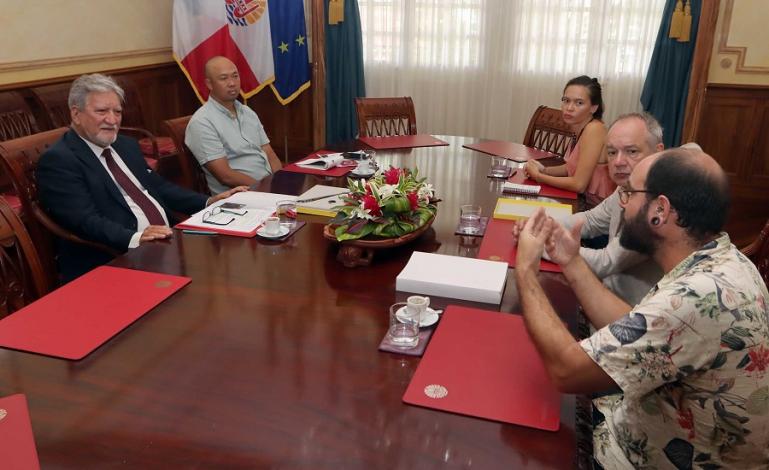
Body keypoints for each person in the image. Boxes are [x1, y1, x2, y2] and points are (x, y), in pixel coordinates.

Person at [515, 148, 769, 468]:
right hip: (645, 428)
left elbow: (565, 371)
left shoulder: (694, 299)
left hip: (638, 457)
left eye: (628, 193)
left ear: (660, 210)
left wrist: (525, 271)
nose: (622, 203)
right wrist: (572, 261)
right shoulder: (722, 261)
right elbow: (634, 327)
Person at [37, 73, 246, 282]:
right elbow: (84, 221)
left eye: (117, 112)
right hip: (117, 258)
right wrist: (135, 238)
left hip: (168, 243)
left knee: (236, 266)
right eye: (101, 111)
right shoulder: (60, 160)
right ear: (76, 114)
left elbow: (159, 187)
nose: (112, 120)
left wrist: (209, 202)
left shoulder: (125, 145)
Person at [518, 112, 665, 306]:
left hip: (627, 318)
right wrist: (538, 224)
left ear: (658, 152)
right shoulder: (627, 186)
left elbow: (606, 262)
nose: (618, 162)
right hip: (603, 297)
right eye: (612, 152)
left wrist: (538, 241)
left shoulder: (659, 205)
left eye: (631, 151)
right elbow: (591, 220)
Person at [185, 56, 282, 195]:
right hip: (240, 196)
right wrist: (265, 188)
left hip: (270, 188)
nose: (232, 83)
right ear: (209, 84)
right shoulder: (202, 122)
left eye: (235, 76)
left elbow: (270, 154)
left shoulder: (247, 112)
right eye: (224, 78)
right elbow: (225, 176)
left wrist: (281, 181)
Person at [525, 75, 614, 209]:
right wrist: (542, 170)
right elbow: (570, 168)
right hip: (584, 203)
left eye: (579, 103)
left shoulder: (594, 129)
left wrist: (538, 176)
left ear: (593, 108)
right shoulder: (580, 127)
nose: (569, 107)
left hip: (600, 211)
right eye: (566, 100)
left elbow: (579, 184)